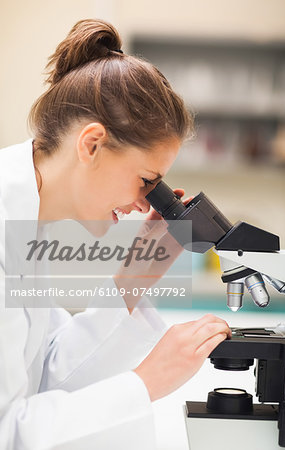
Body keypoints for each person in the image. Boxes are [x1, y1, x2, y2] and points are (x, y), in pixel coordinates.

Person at [0, 19, 231, 450]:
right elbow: (8, 431)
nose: (147, 203)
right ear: (91, 145)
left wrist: (141, 269)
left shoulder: (25, 221)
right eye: (146, 179)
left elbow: (46, 375)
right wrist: (148, 380)